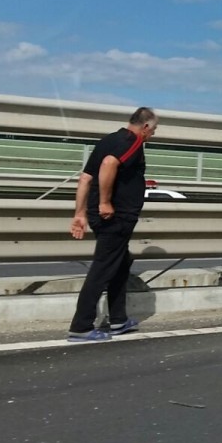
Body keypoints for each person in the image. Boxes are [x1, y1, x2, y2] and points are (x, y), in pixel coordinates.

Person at [67, 107, 159, 341]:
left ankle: (118, 320)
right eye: (154, 130)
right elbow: (109, 164)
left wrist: (80, 213)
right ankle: (81, 326)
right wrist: (106, 202)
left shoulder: (109, 139)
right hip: (116, 216)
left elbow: (86, 178)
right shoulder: (133, 141)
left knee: (121, 263)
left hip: (101, 215)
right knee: (103, 267)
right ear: (145, 126)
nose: (153, 135)